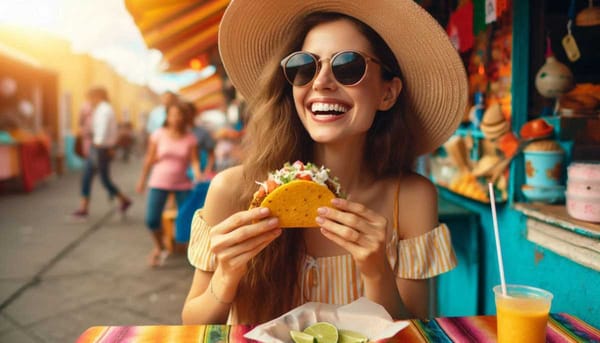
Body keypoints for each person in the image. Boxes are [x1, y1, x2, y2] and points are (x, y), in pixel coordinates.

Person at [182, 0, 467, 325]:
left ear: (387, 93)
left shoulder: (412, 199)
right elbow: (193, 323)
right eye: (304, 67)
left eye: (348, 66)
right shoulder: (234, 191)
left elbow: (415, 331)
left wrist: (377, 274)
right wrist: (226, 276)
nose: (321, 82)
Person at [136, 101, 202, 267]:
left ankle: (192, 252)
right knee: (151, 220)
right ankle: (159, 247)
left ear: (185, 117)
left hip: (183, 184)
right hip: (158, 182)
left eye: (180, 115)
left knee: (190, 220)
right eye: (173, 114)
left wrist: (198, 174)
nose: (176, 118)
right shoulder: (158, 134)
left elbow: (194, 161)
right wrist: (142, 180)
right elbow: (149, 159)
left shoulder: (190, 138)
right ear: (168, 117)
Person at [71, 87, 132, 220]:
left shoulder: (104, 109)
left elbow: (102, 129)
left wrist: (98, 143)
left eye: (90, 98)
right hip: (98, 147)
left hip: (100, 148)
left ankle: (124, 199)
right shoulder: (100, 109)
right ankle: (84, 207)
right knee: (87, 177)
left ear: (97, 96)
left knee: (104, 180)